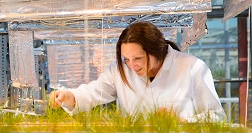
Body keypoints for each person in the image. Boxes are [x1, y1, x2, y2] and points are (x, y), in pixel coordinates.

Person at [49, 21, 226, 122]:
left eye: (138, 58)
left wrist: (182, 121)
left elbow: (217, 117)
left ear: (156, 50)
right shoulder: (120, 71)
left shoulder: (192, 68)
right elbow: (93, 92)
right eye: (127, 59)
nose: (132, 66)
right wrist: (69, 96)